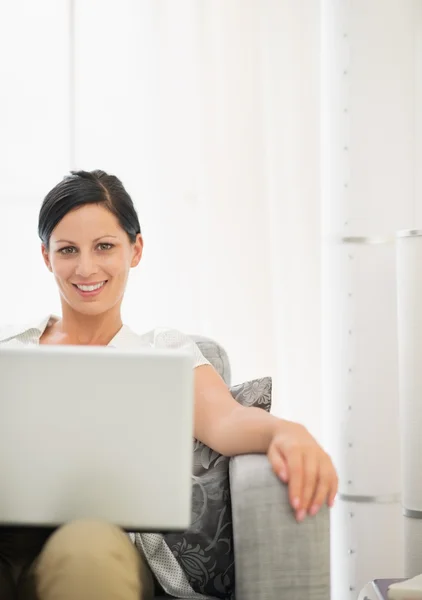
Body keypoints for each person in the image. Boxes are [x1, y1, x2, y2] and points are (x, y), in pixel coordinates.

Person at [0, 170, 338, 600]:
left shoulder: (163, 352)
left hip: (98, 542)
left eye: (104, 246)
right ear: (47, 257)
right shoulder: (8, 348)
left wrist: (287, 431)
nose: (86, 268)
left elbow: (227, 420)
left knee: (87, 551)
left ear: (134, 249)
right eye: (68, 250)